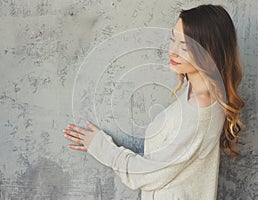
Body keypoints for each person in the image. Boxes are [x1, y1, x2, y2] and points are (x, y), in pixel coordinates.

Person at [63, 4, 245, 200]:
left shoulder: (199, 111)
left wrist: (100, 146)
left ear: (209, 52)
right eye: (172, 39)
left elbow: (145, 174)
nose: (172, 51)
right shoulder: (202, 89)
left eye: (184, 46)